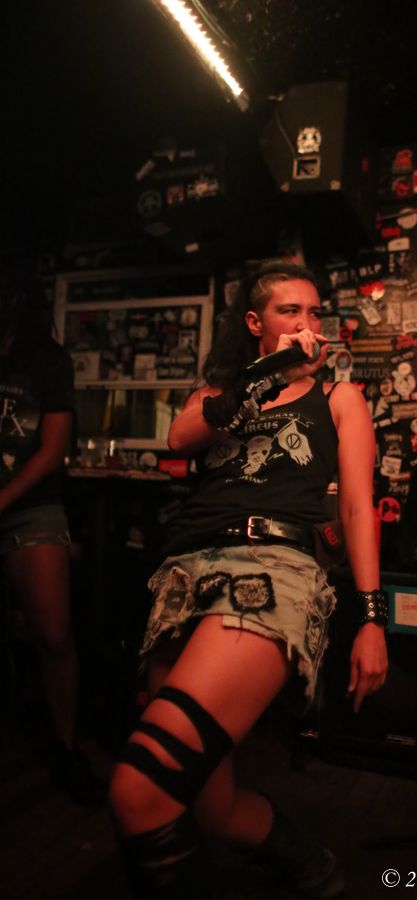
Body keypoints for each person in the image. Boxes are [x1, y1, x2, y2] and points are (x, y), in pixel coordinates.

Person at [109, 260, 389, 898]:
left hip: (271, 571)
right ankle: (304, 859)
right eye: (291, 311)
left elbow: (356, 509)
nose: (307, 323)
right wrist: (268, 377)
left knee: (140, 790)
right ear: (257, 323)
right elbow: (179, 437)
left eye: (314, 312)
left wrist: (373, 618)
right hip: (183, 577)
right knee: (208, 809)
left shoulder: (339, 398)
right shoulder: (216, 396)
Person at [0, 274, 104, 804]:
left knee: (54, 635)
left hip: (30, 507)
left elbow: (52, 451)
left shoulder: (44, 359)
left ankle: (66, 751)